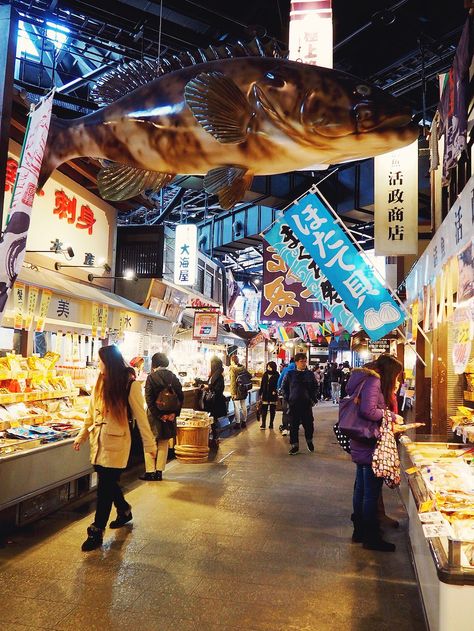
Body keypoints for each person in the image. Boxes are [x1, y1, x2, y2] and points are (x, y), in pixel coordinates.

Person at [73, 345, 157, 551]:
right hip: (98, 441)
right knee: (108, 483)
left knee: (104, 487)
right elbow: (91, 412)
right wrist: (82, 435)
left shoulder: (130, 384)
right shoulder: (100, 381)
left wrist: (150, 444)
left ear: (109, 362)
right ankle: (124, 510)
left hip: (117, 442)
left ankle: (96, 530)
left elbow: (141, 417)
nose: (98, 364)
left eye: (100, 361)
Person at [346, 354, 405, 552]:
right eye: (396, 376)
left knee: (361, 489)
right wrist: (390, 415)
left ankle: (360, 531)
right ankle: (371, 537)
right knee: (369, 492)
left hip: (362, 439)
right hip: (370, 440)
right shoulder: (374, 381)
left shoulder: (366, 378)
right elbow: (368, 411)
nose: (397, 380)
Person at [142, 352, 184, 481]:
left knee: (149, 441)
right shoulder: (173, 377)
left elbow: (148, 399)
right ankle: (159, 472)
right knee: (164, 442)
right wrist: (173, 413)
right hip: (170, 414)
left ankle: (150, 471)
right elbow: (181, 397)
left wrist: (159, 415)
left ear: (154, 364)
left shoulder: (151, 378)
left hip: (154, 416)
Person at [281, 353, 318, 455]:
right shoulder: (290, 374)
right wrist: (288, 399)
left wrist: (313, 400)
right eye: (301, 361)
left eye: (305, 361)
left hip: (306, 404)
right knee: (293, 426)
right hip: (293, 404)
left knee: (309, 425)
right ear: (296, 362)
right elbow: (284, 388)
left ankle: (309, 440)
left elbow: (315, 387)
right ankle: (294, 446)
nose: (303, 363)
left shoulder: (310, 374)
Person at [204, 356, 228, 449]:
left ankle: (215, 438)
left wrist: (208, 387)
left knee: (214, 420)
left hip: (216, 402)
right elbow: (209, 383)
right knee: (213, 420)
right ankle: (214, 438)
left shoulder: (219, 376)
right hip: (212, 402)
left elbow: (218, 389)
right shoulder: (213, 374)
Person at [258, 361, 280, 430]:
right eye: (268, 366)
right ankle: (263, 424)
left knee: (272, 410)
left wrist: (275, 391)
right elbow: (262, 384)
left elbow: (278, 384)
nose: (268, 368)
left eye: (270, 367)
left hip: (273, 394)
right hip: (265, 394)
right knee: (264, 410)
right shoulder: (265, 374)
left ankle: (271, 423)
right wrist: (260, 393)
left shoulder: (277, 375)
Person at [229, 354, 249, 429]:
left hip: (237, 391)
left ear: (232, 361)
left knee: (237, 407)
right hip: (243, 389)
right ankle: (244, 422)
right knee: (243, 405)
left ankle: (237, 423)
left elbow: (233, 382)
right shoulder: (243, 368)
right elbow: (249, 376)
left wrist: (233, 393)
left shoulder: (232, 369)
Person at [277, 357, 296, 436]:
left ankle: (285, 428)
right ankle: (292, 427)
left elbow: (280, 380)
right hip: (296, 394)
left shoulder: (285, 369)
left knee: (285, 411)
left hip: (286, 394)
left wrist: (278, 389)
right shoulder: (298, 370)